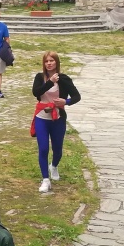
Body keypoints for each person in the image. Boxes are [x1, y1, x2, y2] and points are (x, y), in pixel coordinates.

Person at [31, 51, 81, 194]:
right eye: (46, 61)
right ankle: (45, 179)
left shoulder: (64, 79)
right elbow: (36, 92)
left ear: (57, 62)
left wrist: (66, 101)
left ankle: (53, 166)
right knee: (43, 148)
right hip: (41, 117)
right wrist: (50, 82)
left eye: (52, 61)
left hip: (58, 118)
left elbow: (77, 96)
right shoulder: (39, 77)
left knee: (57, 149)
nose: (49, 63)